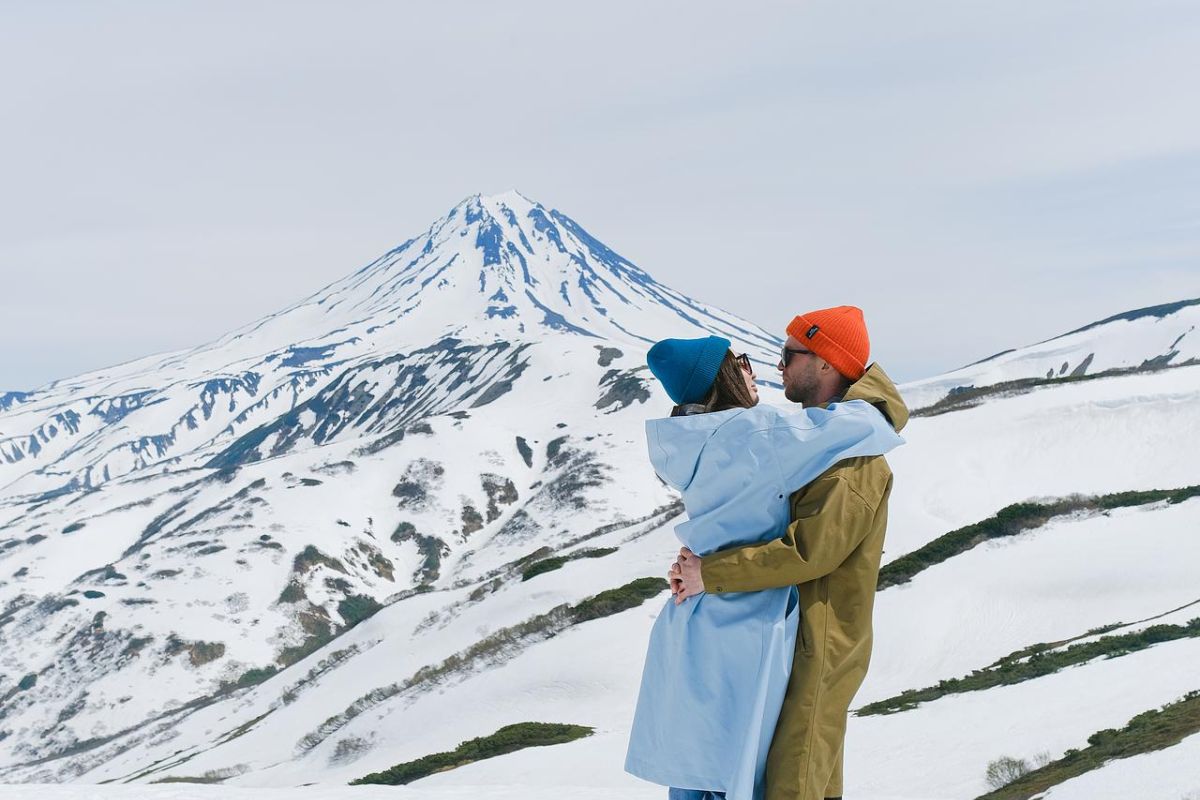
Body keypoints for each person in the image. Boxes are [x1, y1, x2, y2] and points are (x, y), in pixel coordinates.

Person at [624, 332, 904, 800]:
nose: (756, 370)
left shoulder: (681, 441)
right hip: (745, 618)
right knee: (746, 765)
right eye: (743, 362)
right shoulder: (760, 435)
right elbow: (869, 426)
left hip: (691, 618)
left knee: (698, 772)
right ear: (725, 377)